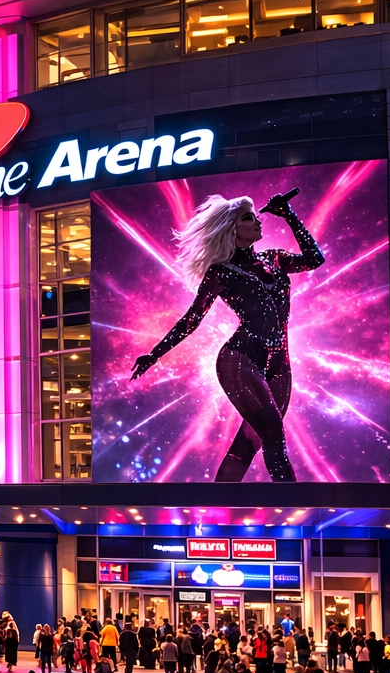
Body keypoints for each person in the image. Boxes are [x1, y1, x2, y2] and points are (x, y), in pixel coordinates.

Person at [130, 190, 323, 482]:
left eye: (256, 216)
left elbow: (314, 258)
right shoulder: (221, 272)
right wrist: (153, 355)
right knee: (273, 436)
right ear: (232, 228)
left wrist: (289, 215)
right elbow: (191, 319)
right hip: (240, 359)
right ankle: (297, 508)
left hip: (279, 362)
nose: (258, 221)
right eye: (248, 218)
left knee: (250, 443)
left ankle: (216, 510)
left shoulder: (274, 259)